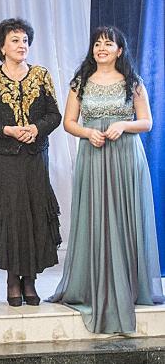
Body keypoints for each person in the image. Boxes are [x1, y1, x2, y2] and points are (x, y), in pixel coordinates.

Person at [47, 26, 164, 333]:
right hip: (94, 155)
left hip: (126, 156)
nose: (101, 48)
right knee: (96, 217)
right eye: (97, 44)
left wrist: (123, 125)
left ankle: (130, 284)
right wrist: (88, 132)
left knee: (125, 217)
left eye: (108, 44)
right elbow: (69, 123)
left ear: (119, 51)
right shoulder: (80, 82)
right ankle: (93, 283)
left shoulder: (133, 82)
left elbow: (147, 122)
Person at [0, 18, 61, 307]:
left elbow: (54, 115)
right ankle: (12, 280)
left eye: (25, 41)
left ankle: (30, 280)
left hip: (34, 157)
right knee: (11, 216)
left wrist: (36, 128)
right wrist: (7, 130)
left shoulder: (41, 75)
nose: (22, 46)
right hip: (2, 159)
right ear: (2, 47)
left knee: (33, 214)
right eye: (15, 41)